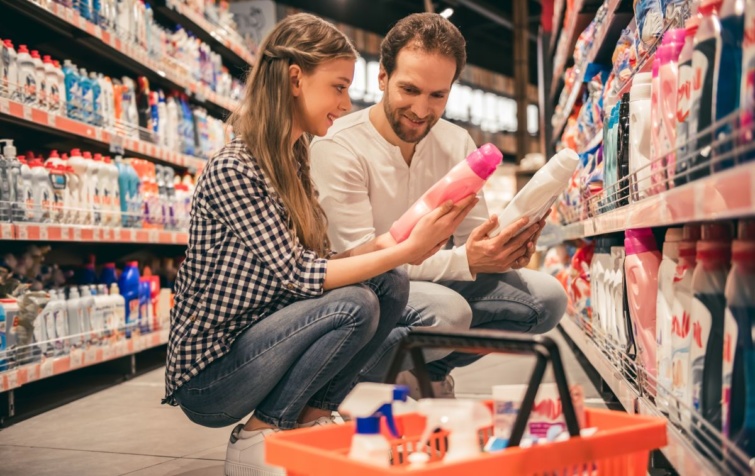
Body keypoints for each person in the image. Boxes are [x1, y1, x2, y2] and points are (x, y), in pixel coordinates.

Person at [162, 13, 477, 476]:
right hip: (213, 375)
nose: (345, 103)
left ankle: (312, 416)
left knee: (388, 283)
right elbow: (301, 275)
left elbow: (321, 261)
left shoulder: (293, 159)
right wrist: (405, 252)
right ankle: (258, 436)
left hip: (262, 340)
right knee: (353, 303)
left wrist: (400, 240)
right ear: (295, 79)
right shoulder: (236, 168)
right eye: (338, 87)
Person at [310, 13, 568, 396]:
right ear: (382, 78)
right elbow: (357, 264)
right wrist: (466, 261)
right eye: (409, 89)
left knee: (548, 299)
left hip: (434, 282)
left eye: (437, 96)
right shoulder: (339, 145)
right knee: (448, 311)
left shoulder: (456, 142)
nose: (420, 109)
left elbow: (473, 239)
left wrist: (505, 246)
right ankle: (353, 378)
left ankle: (427, 370)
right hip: (366, 292)